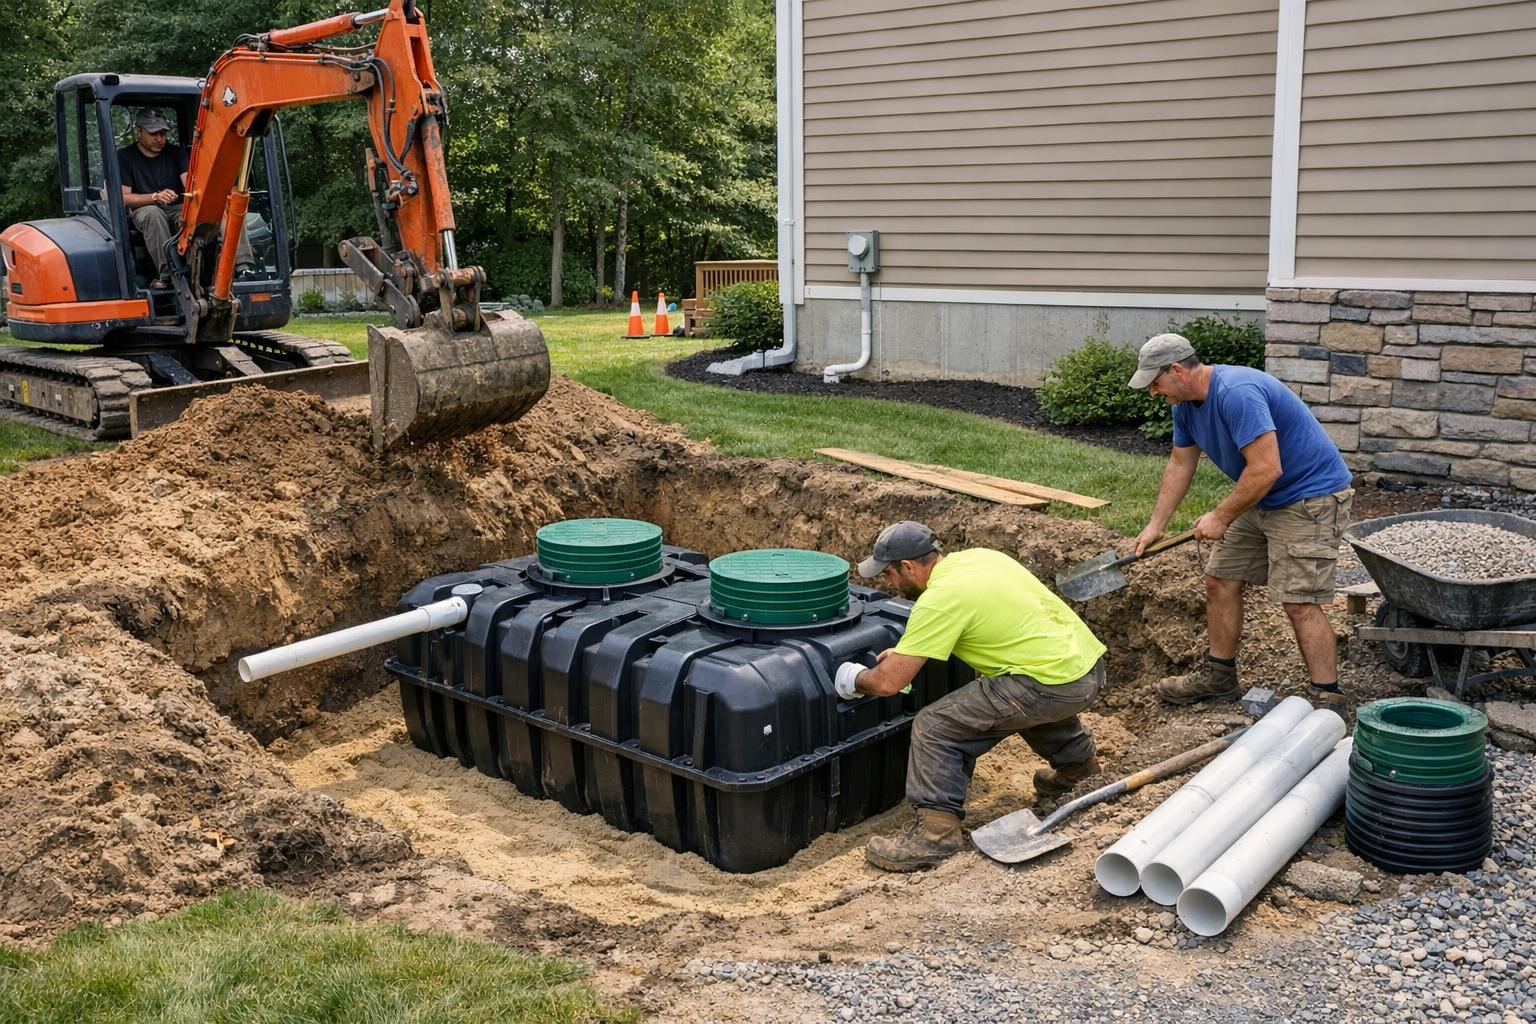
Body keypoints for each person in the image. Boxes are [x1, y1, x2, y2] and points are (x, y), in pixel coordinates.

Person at [834, 521, 1108, 872]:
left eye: (888, 573)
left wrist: (855, 678)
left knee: (935, 726)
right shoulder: (982, 559)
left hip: (1053, 685)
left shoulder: (940, 599)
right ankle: (1080, 771)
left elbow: (888, 683)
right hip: (1085, 666)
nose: (889, 583)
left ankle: (934, 838)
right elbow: (987, 620)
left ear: (908, 566)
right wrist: (907, 653)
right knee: (1016, 694)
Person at [1126, 333, 1354, 710]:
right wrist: (1156, 524)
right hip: (1263, 495)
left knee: (1298, 599)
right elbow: (1180, 463)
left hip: (1310, 496)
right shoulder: (1184, 405)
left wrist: (1220, 516)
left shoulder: (1237, 392)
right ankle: (1220, 677)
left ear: (1177, 370)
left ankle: (1328, 698)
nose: (1152, 392)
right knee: (1220, 578)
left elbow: (1266, 469)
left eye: (1154, 382)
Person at [118, 107, 253, 288]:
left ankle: (243, 266)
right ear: (138, 131)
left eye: (163, 133)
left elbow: (190, 183)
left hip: (177, 208)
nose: (159, 139)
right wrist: (155, 196)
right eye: (153, 134)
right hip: (145, 207)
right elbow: (124, 197)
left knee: (220, 209)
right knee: (153, 214)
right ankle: (168, 274)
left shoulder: (176, 153)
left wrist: (220, 191)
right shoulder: (125, 157)